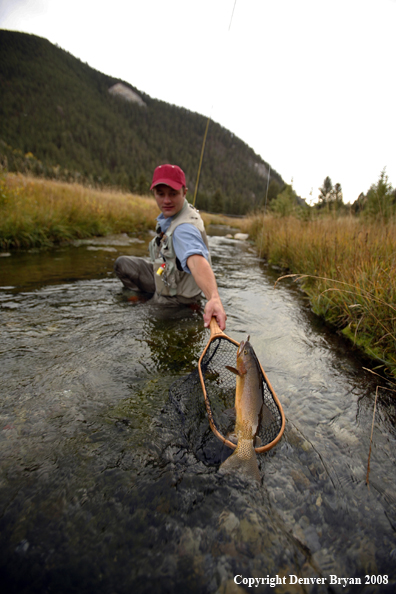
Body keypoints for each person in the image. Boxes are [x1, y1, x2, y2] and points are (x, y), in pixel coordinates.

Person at [114, 164, 227, 330]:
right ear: (154, 193)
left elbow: (196, 261)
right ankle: (145, 296)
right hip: (165, 276)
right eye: (160, 194)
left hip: (179, 297)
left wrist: (214, 298)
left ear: (184, 192)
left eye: (173, 194)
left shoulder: (184, 229)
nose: (166, 200)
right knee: (123, 265)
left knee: (142, 321)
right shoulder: (172, 216)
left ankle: (185, 309)